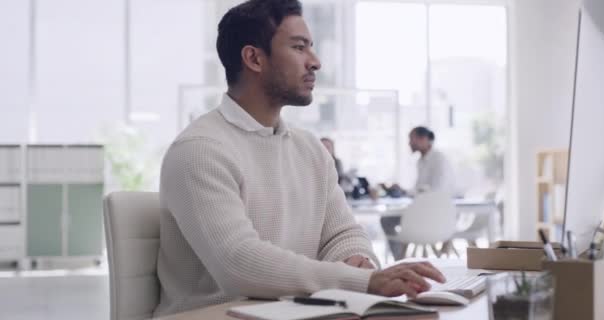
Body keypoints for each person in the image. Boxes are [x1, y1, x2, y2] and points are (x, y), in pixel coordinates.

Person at [154, 1, 445, 316]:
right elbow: (239, 263)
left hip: (294, 312)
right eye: (299, 47)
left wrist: (355, 261)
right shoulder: (199, 151)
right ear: (254, 58)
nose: (315, 62)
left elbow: (342, 234)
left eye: (311, 48)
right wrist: (362, 281)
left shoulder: (310, 149)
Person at [381, 126, 455, 260]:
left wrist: (415, 193)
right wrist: (404, 191)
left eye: (411, 139)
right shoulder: (421, 161)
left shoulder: (439, 159)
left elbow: (436, 190)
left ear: (424, 139)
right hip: (423, 211)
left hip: (435, 214)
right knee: (387, 220)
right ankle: (400, 259)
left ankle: (400, 259)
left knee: (387, 220)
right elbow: (419, 189)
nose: (409, 143)